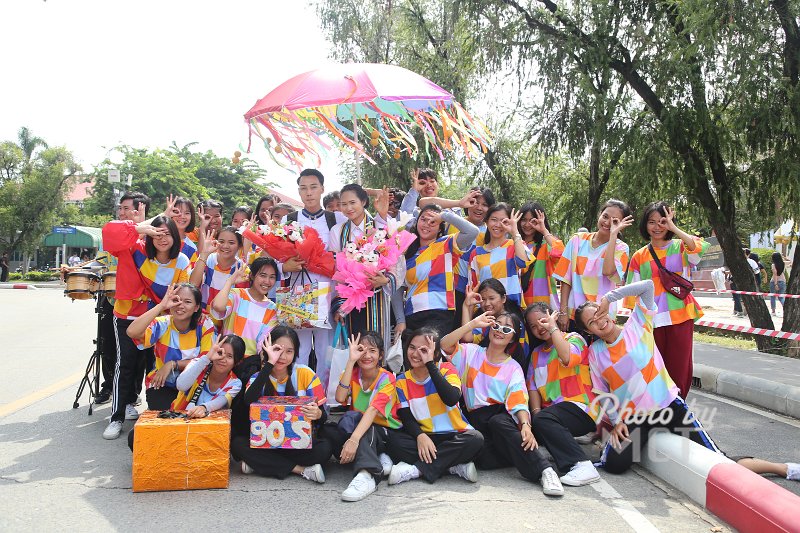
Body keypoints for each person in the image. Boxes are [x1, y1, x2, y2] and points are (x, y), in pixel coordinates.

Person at [576, 280, 800, 482]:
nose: (599, 321)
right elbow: (601, 392)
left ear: (608, 311)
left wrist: (609, 297)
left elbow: (646, 286)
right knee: (614, 465)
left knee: (719, 461)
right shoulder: (595, 353)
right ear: (589, 331)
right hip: (634, 419)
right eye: (591, 322)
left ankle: (783, 469)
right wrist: (617, 422)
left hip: (669, 407)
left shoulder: (638, 323)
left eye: (599, 313)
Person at [441, 311, 564, 496]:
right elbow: (444, 344)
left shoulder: (512, 367)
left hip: (500, 420)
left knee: (498, 422)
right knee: (484, 458)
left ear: (513, 338)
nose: (499, 330)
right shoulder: (471, 352)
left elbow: (519, 401)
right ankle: (534, 456)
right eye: (496, 325)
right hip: (474, 422)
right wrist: (472, 324)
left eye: (506, 328)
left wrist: (525, 426)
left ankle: (545, 470)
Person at [101, 214, 191, 440]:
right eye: (157, 233)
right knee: (126, 365)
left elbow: (179, 295)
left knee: (153, 367)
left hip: (158, 321)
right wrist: (141, 228)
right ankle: (117, 418)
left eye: (168, 233)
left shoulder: (181, 261)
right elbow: (110, 232)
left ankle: (150, 413)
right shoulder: (134, 249)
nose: (162, 238)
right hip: (127, 316)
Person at [625, 202, 708, 399]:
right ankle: (660, 410)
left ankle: (679, 408)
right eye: (651, 222)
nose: (657, 227)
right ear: (645, 225)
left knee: (680, 367)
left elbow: (697, 250)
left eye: (662, 222)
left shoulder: (680, 247)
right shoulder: (639, 256)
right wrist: (634, 326)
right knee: (654, 369)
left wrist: (674, 228)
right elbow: (632, 293)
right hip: (651, 321)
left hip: (680, 317)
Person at [231, 327, 332, 482]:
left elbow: (322, 416)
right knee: (238, 444)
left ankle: (262, 464)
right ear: (268, 349)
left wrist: (317, 414)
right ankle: (300, 470)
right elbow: (248, 401)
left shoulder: (305, 374)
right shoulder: (259, 376)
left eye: (289, 351)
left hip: (297, 443)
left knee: (325, 448)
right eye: (277, 350)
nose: (282, 357)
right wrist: (269, 363)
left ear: (296, 353)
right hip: (266, 442)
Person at [386, 328, 484, 485]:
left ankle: (417, 470)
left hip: (453, 435)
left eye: (424, 350)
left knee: (475, 439)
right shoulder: (401, 380)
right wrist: (420, 436)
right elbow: (406, 416)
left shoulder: (446, 369)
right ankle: (452, 466)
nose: (416, 354)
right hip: (426, 437)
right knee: (394, 441)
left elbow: (451, 398)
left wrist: (430, 364)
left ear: (436, 353)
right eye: (412, 347)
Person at [524, 303, 600, 486]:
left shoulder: (574, 338)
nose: (538, 328)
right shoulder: (536, 354)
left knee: (544, 420)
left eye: (542, 321)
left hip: (581, 407)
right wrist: (536, 415)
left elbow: (567, 357)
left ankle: (581, 464)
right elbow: (532, 386)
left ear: (553, 316)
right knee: (533, 425)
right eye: (533, 326)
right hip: (553, 414)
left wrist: (553, 328)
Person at [322, 332, 401, 502]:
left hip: (384, 432)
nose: (366, 356)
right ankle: (372, 457)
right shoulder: (352, 372)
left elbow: (373, 411)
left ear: (380, 355)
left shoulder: (387, 379)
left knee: (365, 426)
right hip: (359, 428)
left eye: (372, 351)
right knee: (327, 429)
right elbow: (340, 398)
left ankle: (368, 474)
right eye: (361, 350)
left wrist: (353, 440)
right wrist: (350, 361)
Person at [280, 169, 346, 366]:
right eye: (303, 188)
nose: (308, 193)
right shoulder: (289, 219)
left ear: (322, 189)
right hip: (299, 294)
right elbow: (277, 255)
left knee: (328, 352)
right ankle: (299, 393)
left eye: (313, 187)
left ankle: (326, 394)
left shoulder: (336, 219)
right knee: (298, 351)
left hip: (329, 293)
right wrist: (285, 266)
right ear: (299, 192)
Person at [330, 184, 404, 351]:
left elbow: (397, 260)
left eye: (352, 202)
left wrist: (385, 279)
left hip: (377, 295)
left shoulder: (381, 225)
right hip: (350, 299)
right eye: (343, 204)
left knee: (375, 347)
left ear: (363, 201)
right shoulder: (337, 231)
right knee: (354, 346)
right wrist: (339, 306)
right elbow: (336, 271)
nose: (348, 208)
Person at [93, 191, 150, 405]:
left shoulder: (147, 235)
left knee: (138, 355)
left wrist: (139, 227)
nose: (122, 212)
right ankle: (109, 387)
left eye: (127, 208)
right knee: (109, 346)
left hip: (143, 306)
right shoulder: (115, 232)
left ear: (139, 211)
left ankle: (132, 394)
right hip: (113, 299)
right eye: (121, 208)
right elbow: (100, 262)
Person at [126, 283, 214, 410]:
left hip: (195, 385)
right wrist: (161, 305)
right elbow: (132, 332)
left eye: (187, 302)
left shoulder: (205, 324)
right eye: (176, 300)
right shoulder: (163, 323)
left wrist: (173, 364)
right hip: (162, 383)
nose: (180, 305)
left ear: (196, 307)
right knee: (166, 422)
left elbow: (206, 360)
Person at [554, 199, 632, 334]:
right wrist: (563, 312)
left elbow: (608, 271)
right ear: (599, 215)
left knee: (599, 354)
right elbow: (565, 279)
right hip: (574, 314)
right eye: (605, 216)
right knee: (574, 354)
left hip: (602, 317)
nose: (607, 223)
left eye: (615, 221)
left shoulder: (621, 248)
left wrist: (613, 235)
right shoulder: (577, 240)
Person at [403, 204, 479, 337]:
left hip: (438, 313)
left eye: (433, 222)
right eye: (423, 219)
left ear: (440, 228)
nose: (427, 224)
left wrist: (443, 215)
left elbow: (472, 232)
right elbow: (399, 288)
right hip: (411, 314)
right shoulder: (408, 253)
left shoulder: (446, 244)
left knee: (430, 355)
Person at [211, 257, 279, 374]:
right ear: (252, 276)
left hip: (248, 367)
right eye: (262, 275)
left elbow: (263, 343)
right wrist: (230, 282)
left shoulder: (273, 309)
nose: (267, 281)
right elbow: (218, 306)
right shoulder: (237, 294)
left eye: (272, 277)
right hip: (224, 359)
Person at [469, 204, 532, 308]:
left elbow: (523, 263)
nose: (498, 224)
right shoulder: (476, 253)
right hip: (486, 311)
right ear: (487, 222)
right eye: (494, 219)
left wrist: (514, 231)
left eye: (504, 221)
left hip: (512, 310)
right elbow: (473, 288)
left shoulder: (515, 244)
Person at [189, 226, 248, 312]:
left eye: (231, 243)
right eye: (221, 241)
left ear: (239, 246)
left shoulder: (242, 270)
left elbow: (240, 304)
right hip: (201, 315)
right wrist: (204, 254)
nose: (225, 246)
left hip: (226, 318)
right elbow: (193, 284)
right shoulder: (207, 259)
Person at [517, 203, 564, 309]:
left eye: (532, 220)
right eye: (524, 219)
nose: (527, 224)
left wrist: (544, 230)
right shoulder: (514, 244)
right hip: (520, 305)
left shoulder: (546, 245)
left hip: (544, 305)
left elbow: (562, 256)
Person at [164, 195, 201, 267]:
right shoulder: (157, 237)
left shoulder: (191, 248)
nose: (182, 216)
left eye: (187, 213)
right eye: (177, 212)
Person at [770, 252, 787, 316]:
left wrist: (775, 284)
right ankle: (786, 309)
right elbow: (790, 261)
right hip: (783, 281)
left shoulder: (773, 265)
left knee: (773, 296)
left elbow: (775, 274)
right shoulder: (783, 263)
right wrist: (783, 257)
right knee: (781, 297)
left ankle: (773, 311)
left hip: (774, 281)